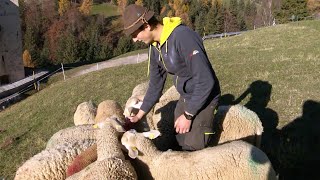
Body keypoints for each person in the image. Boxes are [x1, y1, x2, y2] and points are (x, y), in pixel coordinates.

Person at [123, 4, 221, 151]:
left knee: (193, 146)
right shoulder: (154, 48)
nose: (135, 40)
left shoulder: (183, 37)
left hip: (205, 96)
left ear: (146, 25)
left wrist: (188, 115)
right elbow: (156, 85)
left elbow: (206, 80)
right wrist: (138, 116)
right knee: (178, 138)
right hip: (186, 95)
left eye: (134, 34)